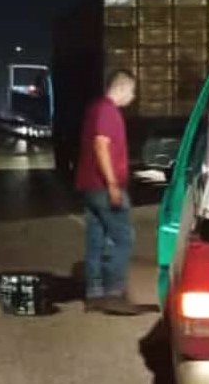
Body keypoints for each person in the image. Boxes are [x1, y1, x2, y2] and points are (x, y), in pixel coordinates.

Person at [76, 69, 139, 315]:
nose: (132, 97)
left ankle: (94, 292)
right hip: (104, 188)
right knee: (124, 239)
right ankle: (114, 292)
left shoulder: (94, 109)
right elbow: (101, 145)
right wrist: (113, 184)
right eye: (132, 91)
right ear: (121, 88)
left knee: (96, 240)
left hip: (90, 187)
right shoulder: (108, 111)